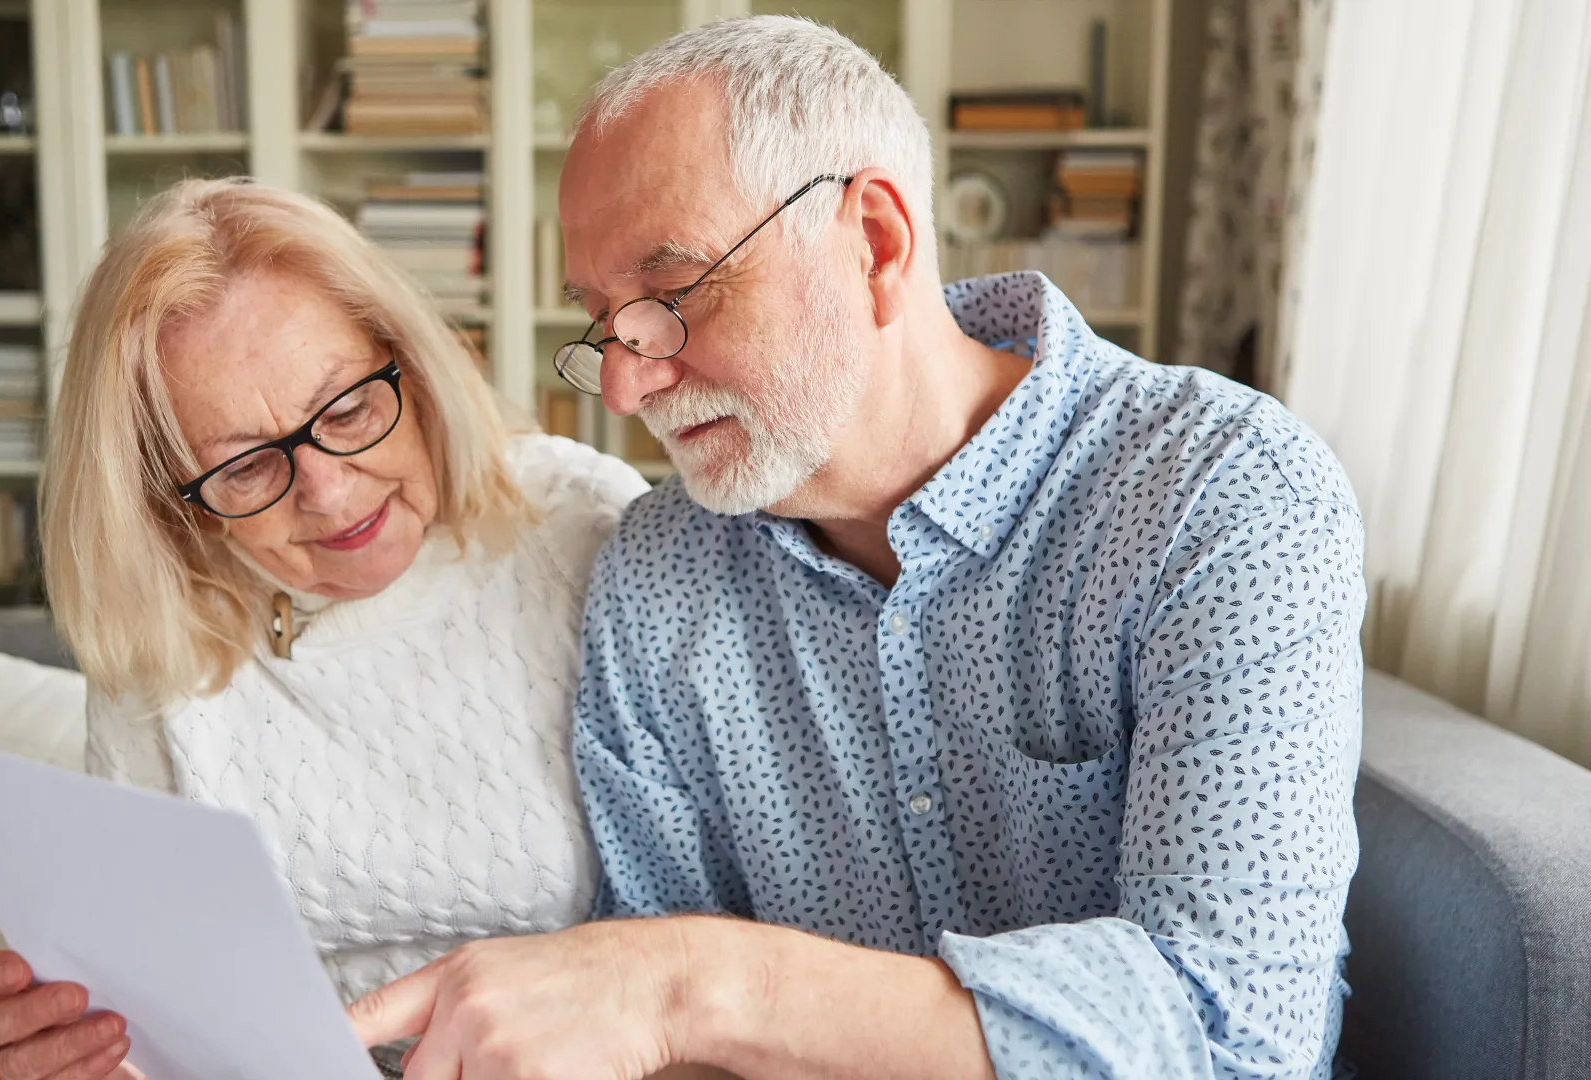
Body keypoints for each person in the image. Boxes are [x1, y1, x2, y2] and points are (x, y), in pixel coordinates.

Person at [350, 17, 1363, 1080]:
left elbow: (1232, 1037)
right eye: (605, 320)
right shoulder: (658, 576)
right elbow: (650, 1050)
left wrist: (691, 984)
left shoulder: (1218, 496)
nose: (621, 384)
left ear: (874, 242)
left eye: (675, 293)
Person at [0, 178, 648, 1080]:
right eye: (245, 467)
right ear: (170, 497)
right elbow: (160, 1014)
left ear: (413, 366)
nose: (330, 492)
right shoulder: (165, 638)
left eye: (347, 410)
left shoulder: (581, 527)